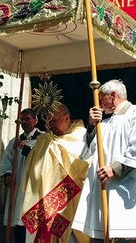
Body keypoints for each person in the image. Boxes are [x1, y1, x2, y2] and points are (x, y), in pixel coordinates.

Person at [72, 79, 136, 242]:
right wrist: (92, 126)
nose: (100, 104)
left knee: (124, 236)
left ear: (113, 95)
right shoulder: (106, 122)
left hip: (125, 188)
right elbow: (90, 151)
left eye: (102, 99)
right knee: (100, 235)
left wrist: (115, 168)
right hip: (103, 190)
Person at [21, 104, 90, 243]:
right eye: (48, 121)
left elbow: (82, 164)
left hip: (72, 198)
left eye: (54, 120)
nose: (50, 125)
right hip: (44, 197)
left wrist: (52, 144)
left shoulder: (82, 136)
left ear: (66, 118)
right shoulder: (45, 139)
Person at [0, 108, 43, 243]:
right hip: (18, 186)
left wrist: (25, 148)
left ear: (36, 120)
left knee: (32, 223)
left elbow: (42, 160)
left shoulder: (43, 139)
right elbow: (6, 161)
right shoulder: (14, 141)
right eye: (22, 119)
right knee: (18, 222)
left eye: (28, 119)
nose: (24, 122)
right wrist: (7, 176)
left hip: (34, 187)